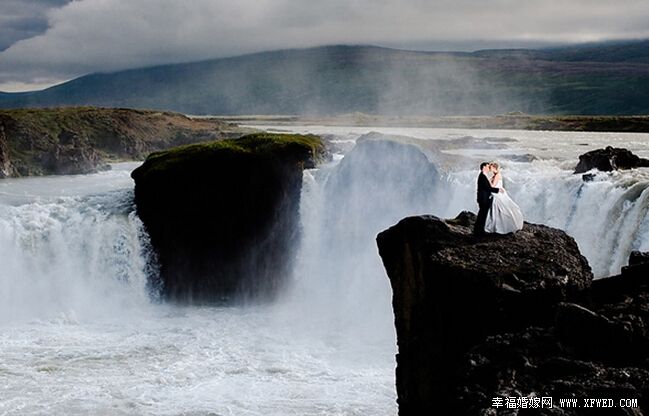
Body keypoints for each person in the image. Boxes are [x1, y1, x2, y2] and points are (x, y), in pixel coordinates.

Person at [484, 162, 524, 234]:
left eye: (490, 168)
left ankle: (500, 226)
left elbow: (492, 186)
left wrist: (487, 179)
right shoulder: (495, 175)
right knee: (497, 211)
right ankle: (496, 226)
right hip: (496, 193)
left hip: (497, 194)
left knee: (500, 210)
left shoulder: (497, 175)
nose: (489, 169)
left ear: (494, 168)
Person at [474, 162, 501, 236]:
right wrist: (498, 190)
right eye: (488, 166)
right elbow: (487, 188)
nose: (489, 168)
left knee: (482, 215)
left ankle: (479, 230)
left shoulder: (483, 175)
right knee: (482, 215)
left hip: (484, 198)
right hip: (483, 198)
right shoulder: (482, 176)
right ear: (484, 167)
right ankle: (478, 231)